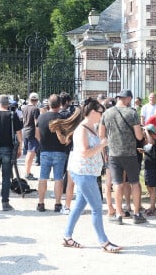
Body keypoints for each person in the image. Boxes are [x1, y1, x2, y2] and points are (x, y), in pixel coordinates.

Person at [52, 98, 122, 253]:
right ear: (91, 112)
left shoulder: (92, 126)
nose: (102, 115)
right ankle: (104, 242)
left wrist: (102, 147)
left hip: (89, 173)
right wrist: (102, 144)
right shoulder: (82, 129)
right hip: (84, 173)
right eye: (100, 112)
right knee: (97, 207)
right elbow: (85, 152)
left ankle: (67, 236)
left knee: (78, 206)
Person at [99, 89, 146, 225]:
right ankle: (136, 214)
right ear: (129, 98)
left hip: (114, 154)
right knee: (134, 183)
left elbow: (101, 135)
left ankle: (119, 214)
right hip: (130, 154)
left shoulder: (107, 113)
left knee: (118, 184)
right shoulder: (132, 113)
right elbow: (138, 136)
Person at [35, 94, 66, 212]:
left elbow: (36, 134)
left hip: (45, 150)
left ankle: (41, 203)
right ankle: (57, 204)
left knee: (43, 178)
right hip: (59, 150)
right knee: (58, 178)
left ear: (49, 103)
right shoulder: (62, 118)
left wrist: (41, 141)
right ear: (60, 104)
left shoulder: (42, 117)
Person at [140, 124, 156, 216]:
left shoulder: (155, 140)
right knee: (148, 186)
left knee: (152, 186)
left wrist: (146, 130)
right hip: (147, 166)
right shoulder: (146, 141)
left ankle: (152, 206)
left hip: (152, 167)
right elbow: (147, 148)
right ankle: (152, 205)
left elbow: (151, 143)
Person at [21, 92, 40, 181]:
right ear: (36, 100)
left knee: (28, 153)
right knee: (31, 153)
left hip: (25, 131)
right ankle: (27, 172)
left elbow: (24, 120)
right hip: (32, 132)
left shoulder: (24, 108)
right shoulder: (35, 109)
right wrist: (38, 136)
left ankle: (27, 171)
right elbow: (37, 123)